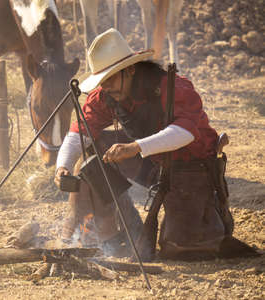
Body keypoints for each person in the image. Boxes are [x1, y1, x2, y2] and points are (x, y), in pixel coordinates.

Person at [54, 29, 251, 261]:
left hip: (190, 169)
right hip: (152, 163)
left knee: (183, 249)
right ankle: (110, 237)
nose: (105, 86)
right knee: (90, 159)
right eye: (102, 81)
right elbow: (81, 130)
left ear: (130, 70)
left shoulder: (174, 87)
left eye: (110, 79)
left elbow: (186, 132)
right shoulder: (107, 93)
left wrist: (134, 147)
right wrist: (62, 166)